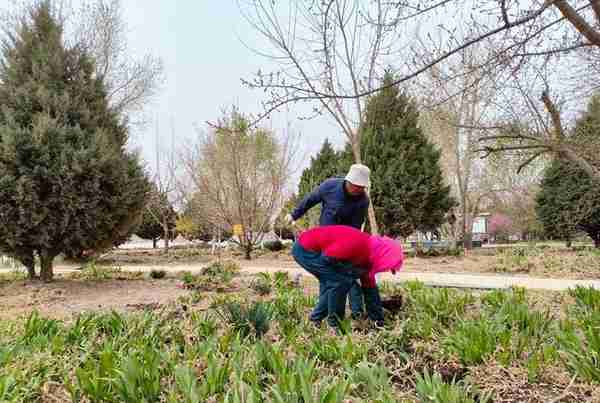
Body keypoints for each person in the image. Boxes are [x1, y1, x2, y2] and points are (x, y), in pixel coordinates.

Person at [286, 164, 370, 319]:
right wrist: (294, 215)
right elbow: (310, 200)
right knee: (329, 279)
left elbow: (356, 227)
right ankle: (327, 318)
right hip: (324, 243)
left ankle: (356, 315)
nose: (358, 189)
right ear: (348, 181)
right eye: (356, 186)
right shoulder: (330, 186)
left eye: (362, 187)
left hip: (344, 245)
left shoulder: (363, 201)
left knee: (348, 278)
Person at [292, 225, 404, 328]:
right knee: (339, 283)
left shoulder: (369, 257)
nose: (385, 269)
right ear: (384, 256)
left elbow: (370, 291)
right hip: (305, 249)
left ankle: (315, 320)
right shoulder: (359, 245)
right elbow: (328, 256)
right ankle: (335, 325)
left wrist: (378, 320)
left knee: (341, 282)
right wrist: (346, 272)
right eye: (388, 266)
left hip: (322, 253)